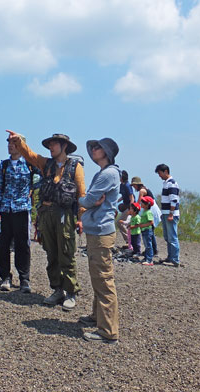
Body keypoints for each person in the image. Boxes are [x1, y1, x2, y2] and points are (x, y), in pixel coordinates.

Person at [7, 131, 86, 311]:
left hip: (64, 215)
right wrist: (19, 141)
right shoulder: (46, 164)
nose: (50, 147)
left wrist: (81, 219)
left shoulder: (75, 167)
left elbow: (81, 193)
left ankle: (71, 292)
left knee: (66, 253)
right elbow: (30, 155)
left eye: (54, 144)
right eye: (49, 144)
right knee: (51, 253)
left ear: (64, 146)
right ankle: (57, 290)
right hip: (46, 213)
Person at [77, 138, 121, 344]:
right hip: (98, 231)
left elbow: (87, 200)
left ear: (107, 152)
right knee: (98, 277)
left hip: (101, 232)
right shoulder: (103, 173)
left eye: (98, 147)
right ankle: (97, 317)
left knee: (103, 279)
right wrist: (91, 201)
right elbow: (92, 200)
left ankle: (108, 331)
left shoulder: (108, 174)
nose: (93, 149)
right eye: (93, 147)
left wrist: (83, 200)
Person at [0, 134, 34, 293]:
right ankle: (5, 277)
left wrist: (32, 189)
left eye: (14, 142)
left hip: (22, 210)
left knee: (22, 246)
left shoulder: (30, 165)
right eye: (9, 142)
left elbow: (44, 177)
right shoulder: (3, 165)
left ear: (21, 145)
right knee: (3, 245)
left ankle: (24, 279)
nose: (10, 145)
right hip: (4, 211)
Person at [155, 163, 181, 266]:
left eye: (160, 173)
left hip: (171, 214)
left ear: (165, 171)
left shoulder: (172, 183)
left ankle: (175, 259)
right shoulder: (166, 183)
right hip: (166, 213)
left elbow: (174, 200)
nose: (159, 176)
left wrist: (171, 213)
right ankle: (170, 257)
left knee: (172, 237)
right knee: (167, 237)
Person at [139, 195, 161, 265]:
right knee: (146, 245)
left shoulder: (148, 212)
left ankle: (149, 260)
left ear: (147, 205)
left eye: (143, 202)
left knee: (148, 245)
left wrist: (142, 225)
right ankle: (146, 258)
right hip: (144, 230)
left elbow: (151, 222)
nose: (141, 203)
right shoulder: (144, 212)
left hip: (147, 230)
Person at [116, 171, 135, 249]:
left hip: (129, 207)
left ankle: (129, 240)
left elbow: (132, 198)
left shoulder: (127, 185)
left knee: (119, 222)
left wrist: (131, 209)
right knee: (124, 223)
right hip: (126, 206)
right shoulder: (122, 185)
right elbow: (124, 196)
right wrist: (117, 201)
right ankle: (129, 241)